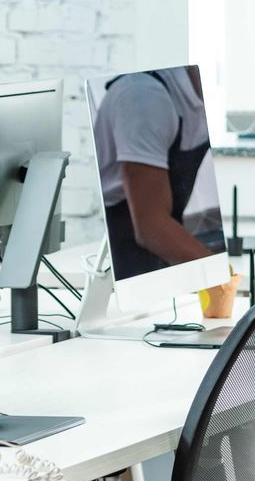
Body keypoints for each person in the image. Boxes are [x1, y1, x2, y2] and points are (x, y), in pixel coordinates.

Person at [93, 65, 238, 319]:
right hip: (128, 254)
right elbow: (151, 228)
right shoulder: (143, 98)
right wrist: (217, 276)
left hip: (157, 252)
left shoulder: (193, 96)